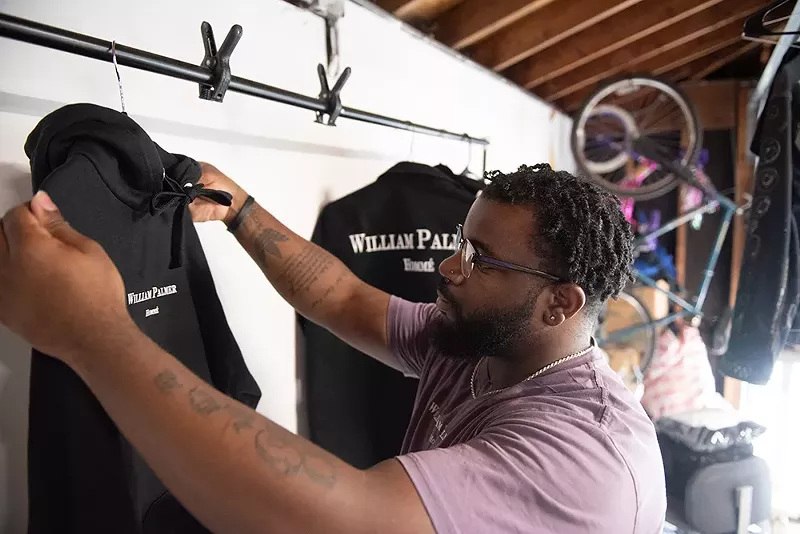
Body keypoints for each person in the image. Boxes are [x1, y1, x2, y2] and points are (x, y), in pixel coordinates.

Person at [0, 163, 666, 533]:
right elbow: (343, 299)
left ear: (562, 302)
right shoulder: (475, 341)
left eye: (481, 259)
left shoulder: (586, 457)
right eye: (462, 242)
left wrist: (89, 333)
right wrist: (241, 209)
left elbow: (342, 524)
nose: (449, 267)